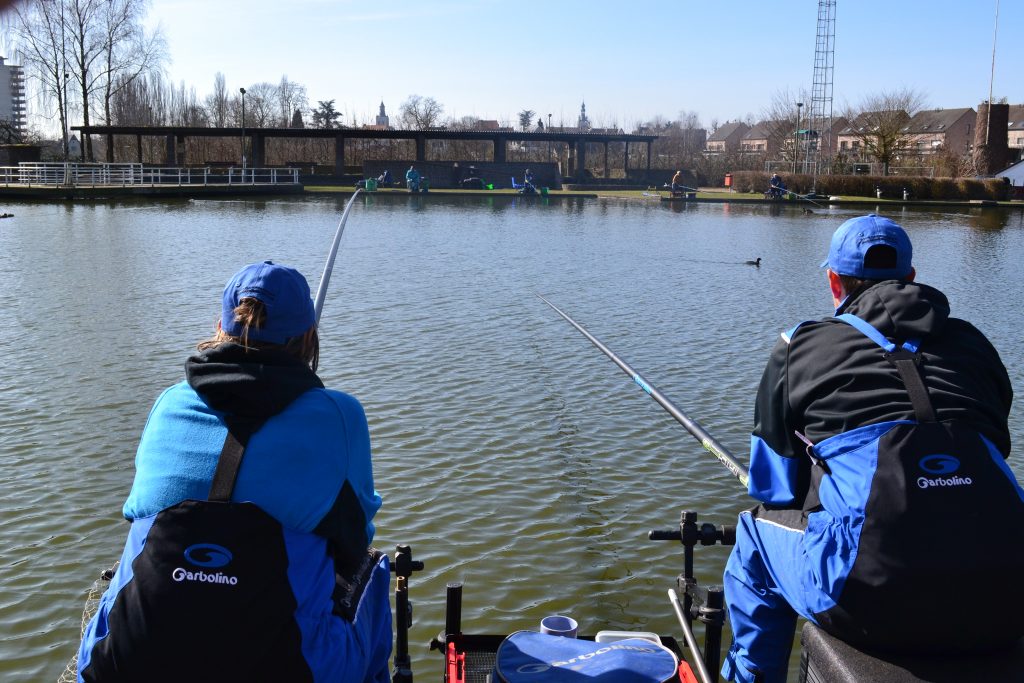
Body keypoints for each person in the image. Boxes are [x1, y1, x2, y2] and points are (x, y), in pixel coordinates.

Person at [722, 215, 1024, 683]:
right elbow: (993, 448)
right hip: (1010, 593)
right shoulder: (974, 344)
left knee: (755, 536)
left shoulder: (798, 344)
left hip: (871, 597)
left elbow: (773, 485)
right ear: (911, 278)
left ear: (833, 281)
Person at [78, 261, 392, 683]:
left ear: (222, 324)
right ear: (306, 335)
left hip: (120, 663)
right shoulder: (340, 414)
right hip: (285, 669)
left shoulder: (169, 402)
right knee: (372, 572)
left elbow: (138, 511)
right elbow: (356, 535)